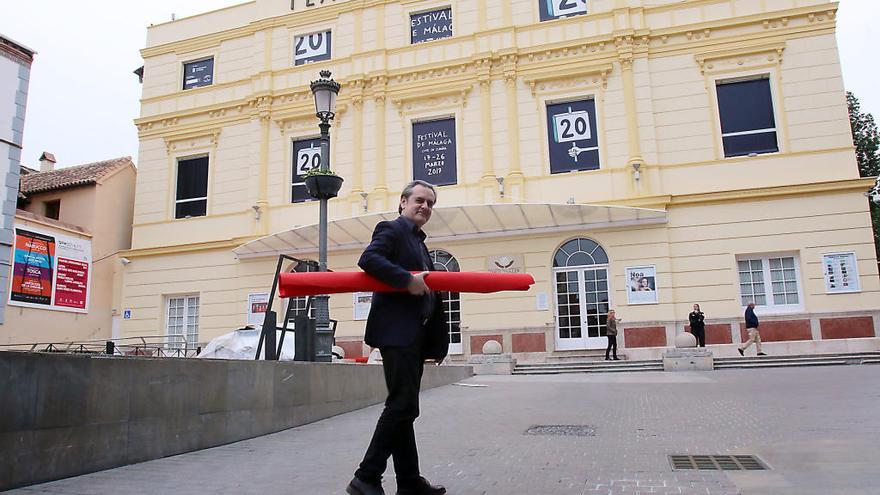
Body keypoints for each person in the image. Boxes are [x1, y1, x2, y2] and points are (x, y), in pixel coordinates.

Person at [347, 180, 448, 495]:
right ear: (403, 202)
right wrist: (405, 280)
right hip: (397, 333)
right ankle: (366, 476)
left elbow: (432, 294)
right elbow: (370, 259)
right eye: (419, 200)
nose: (425, 207)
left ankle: (408, 482)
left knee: (405, 407)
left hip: (415, 337)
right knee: (402, 405)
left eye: (430, 203)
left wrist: (437, 343)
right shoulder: (390, 229)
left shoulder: (420, 243)